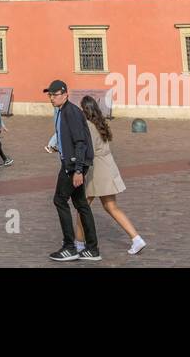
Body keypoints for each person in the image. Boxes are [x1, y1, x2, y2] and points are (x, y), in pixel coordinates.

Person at [80, 96, 146, 255]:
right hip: (107, 167)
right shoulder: (100, 123)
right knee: (111, 206)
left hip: (97, 171)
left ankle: (78, 242)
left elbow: (88, 151)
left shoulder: (88, 126)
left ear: (85, 110)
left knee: (82, 207)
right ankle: (136, 238)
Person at [44, 80, 100, 262]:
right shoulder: (63, 111)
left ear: (65, 94)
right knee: (81, 205)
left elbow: (81, 142)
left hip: (72, 166)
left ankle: (70, 247)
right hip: (71, 163)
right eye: (50, 95)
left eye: (55, 94)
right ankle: (92, 249)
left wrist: (77, 170)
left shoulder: (71, 112)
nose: (52, 98)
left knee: (59, 200)